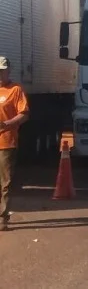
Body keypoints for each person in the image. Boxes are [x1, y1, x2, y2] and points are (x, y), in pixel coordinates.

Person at [0, 57, 30, 232]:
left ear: (8, 71)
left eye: (2, 70)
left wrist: (7, 124)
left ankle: (3, 218)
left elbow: (24, 114)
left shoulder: (15, 90)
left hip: (6, 143)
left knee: (5, 183)